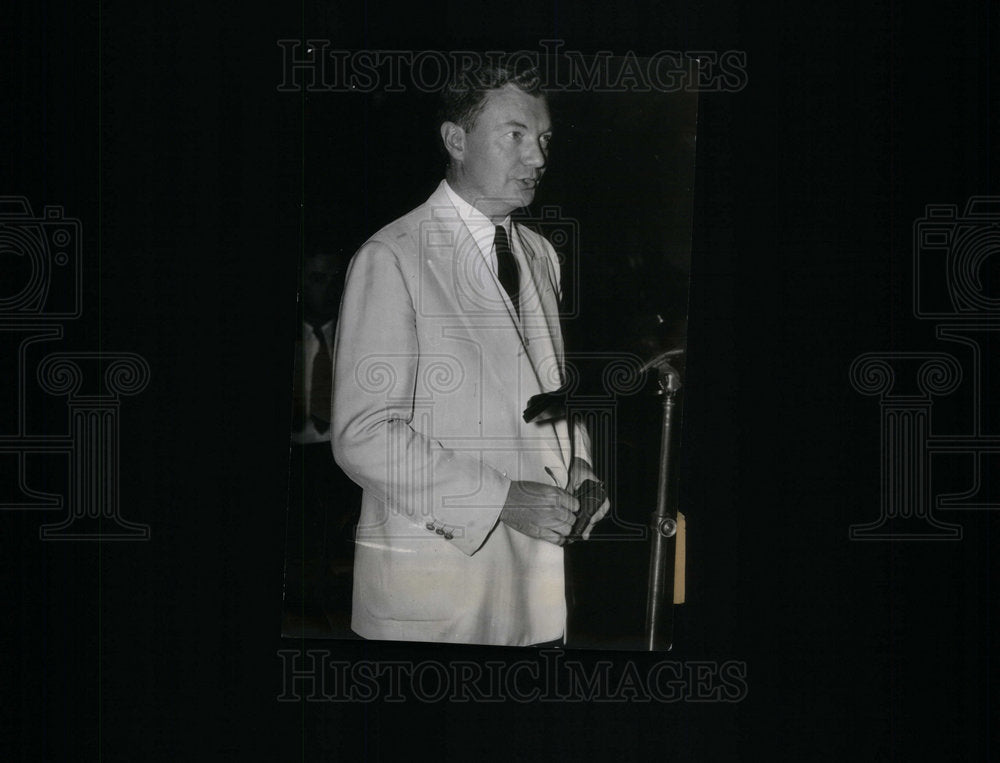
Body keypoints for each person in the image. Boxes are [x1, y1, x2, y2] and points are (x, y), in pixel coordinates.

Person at [331, 62, 609, 646]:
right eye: (516, 135)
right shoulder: (393, 256)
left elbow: (547, 395)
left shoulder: (539, 253)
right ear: (456, 140)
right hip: (439, 591)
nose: (538, 158)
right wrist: (502, 500)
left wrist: (579, 463)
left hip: (538, 587)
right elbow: (364, 434)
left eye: (544, 139)